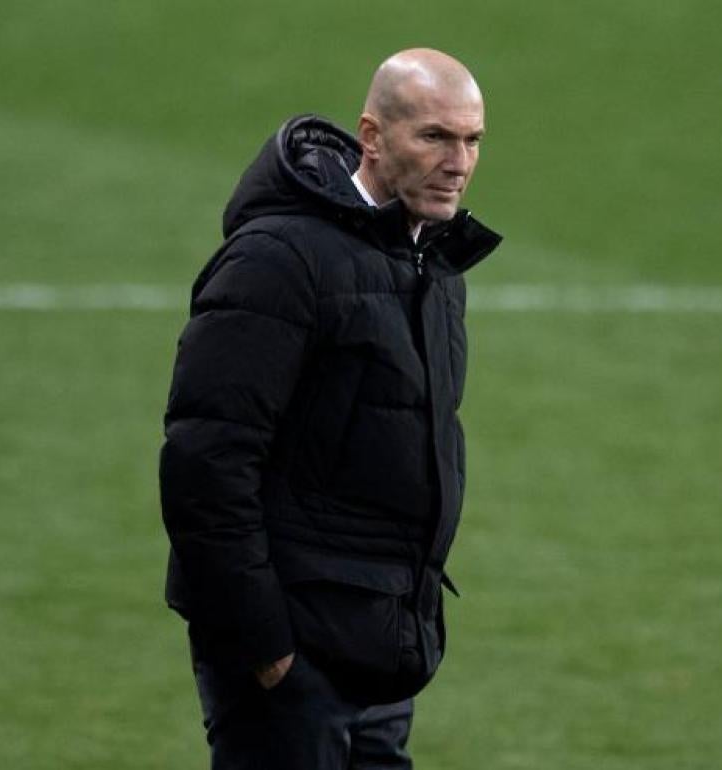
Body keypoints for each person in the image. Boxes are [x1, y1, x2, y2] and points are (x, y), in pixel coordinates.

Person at [158, 48, 501, 769]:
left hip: (379, 647)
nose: (459, 161)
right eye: (434, 136)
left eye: (472, 139)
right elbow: (207, 460)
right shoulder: (278, 260)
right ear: (372, 137)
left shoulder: (429, 266)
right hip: (290, 657)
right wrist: (267, 647)